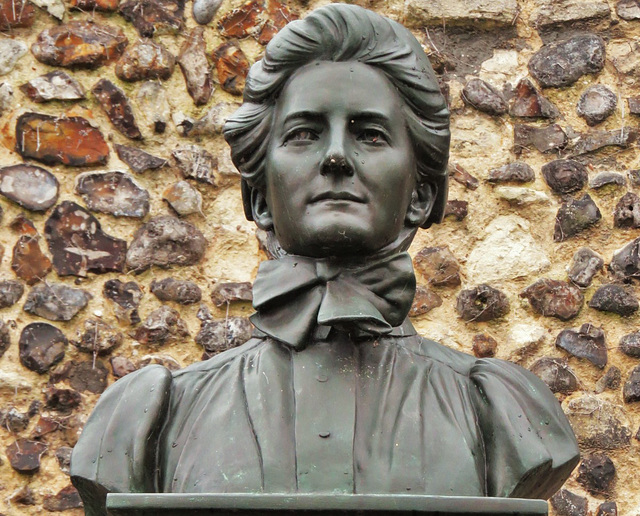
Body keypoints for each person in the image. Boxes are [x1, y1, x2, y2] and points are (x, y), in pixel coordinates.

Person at [70, 5, 579, 515]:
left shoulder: (503, 416)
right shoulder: (151, 420)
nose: (336, 156)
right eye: (304, 134)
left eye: (370, 135)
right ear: (260, 198)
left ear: (421, 194)